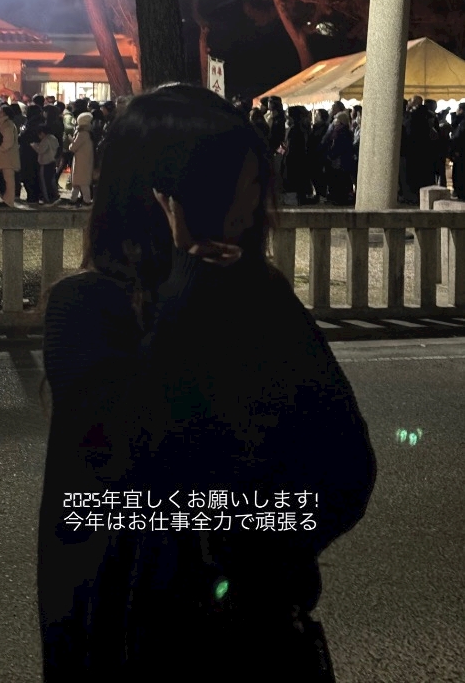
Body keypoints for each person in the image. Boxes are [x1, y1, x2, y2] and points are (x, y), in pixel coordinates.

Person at [38, 83, 376, 679]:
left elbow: (347, 468)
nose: (251, 211)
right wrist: (189, 286)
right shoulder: (89, 309)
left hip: (260, 631)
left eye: (257, 185)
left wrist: (260, 552)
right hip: (130, 637)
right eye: (237, 190)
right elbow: (120, 471)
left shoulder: (263, 297)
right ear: (169, 196)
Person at [0, 104, 20, 207]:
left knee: (9, 179)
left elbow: (8, 141)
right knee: (8, 179)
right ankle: (8, 199)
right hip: (6, 156)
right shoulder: (6, 123)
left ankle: (9, 200)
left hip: (7, 156)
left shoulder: (7, 124)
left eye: (0, 111)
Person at [67, 111, 94, 205]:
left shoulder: (82, 134)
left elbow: (73, 147)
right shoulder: (88, 133)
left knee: (81, 182)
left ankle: (85, 200)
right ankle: (74, 199)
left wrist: (71, 142)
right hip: (85, 160)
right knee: (81, 182)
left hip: (81, 161)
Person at [31, 125, 60, 204]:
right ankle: (55, 195)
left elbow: (40, 150)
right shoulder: (53, 138)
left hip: (45, 163)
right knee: (51, 180)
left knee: (45, 182)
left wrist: (34, 146)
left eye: (39, 134)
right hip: (52, 161)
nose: (39, 137)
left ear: (42, 133)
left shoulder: (45, 140)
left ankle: (48, 199)